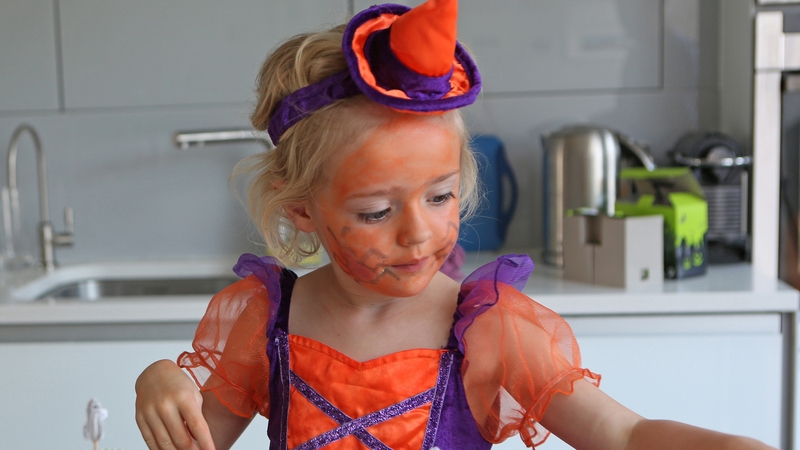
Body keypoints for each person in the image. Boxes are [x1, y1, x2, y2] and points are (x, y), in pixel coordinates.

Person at [134, 2, 777, 449]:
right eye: (376, 212)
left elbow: (625, 436)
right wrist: (160, 381)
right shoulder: (266, 322)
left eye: (439, 197)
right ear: (300, 207)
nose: (418, 233)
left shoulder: (491, 329)